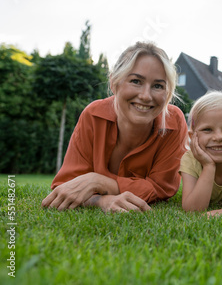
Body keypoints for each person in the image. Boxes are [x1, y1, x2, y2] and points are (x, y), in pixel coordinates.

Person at [42, 42, 188, 213]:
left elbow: (161, 187)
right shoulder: (93, 115)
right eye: (136, 81)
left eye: (158, 86)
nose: (145, 96)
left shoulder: (174, 121)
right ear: (114, 83)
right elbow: (67, 186)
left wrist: (98, 181)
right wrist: (101, 201)